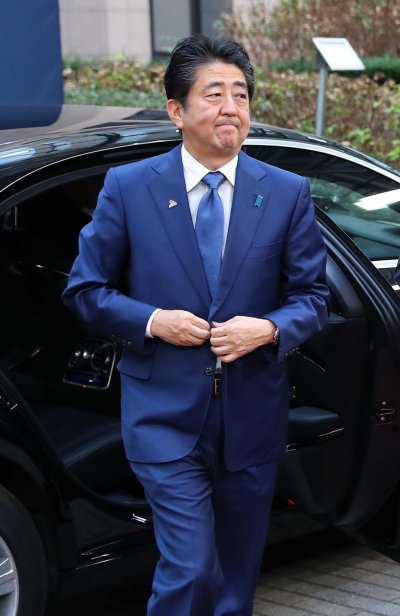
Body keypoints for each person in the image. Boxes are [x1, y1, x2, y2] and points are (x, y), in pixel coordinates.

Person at [62, 34, 330, 616]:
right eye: (214, 94)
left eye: (241, 95)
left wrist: (269, 329)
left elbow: (312, 297)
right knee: (190, 567)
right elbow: (85, 290)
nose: (231, 107)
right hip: (163, 416)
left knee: (235, 576)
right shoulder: (130, 188)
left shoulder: (286, 193)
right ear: (177, 111)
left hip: (251, 417)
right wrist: (153, 321)